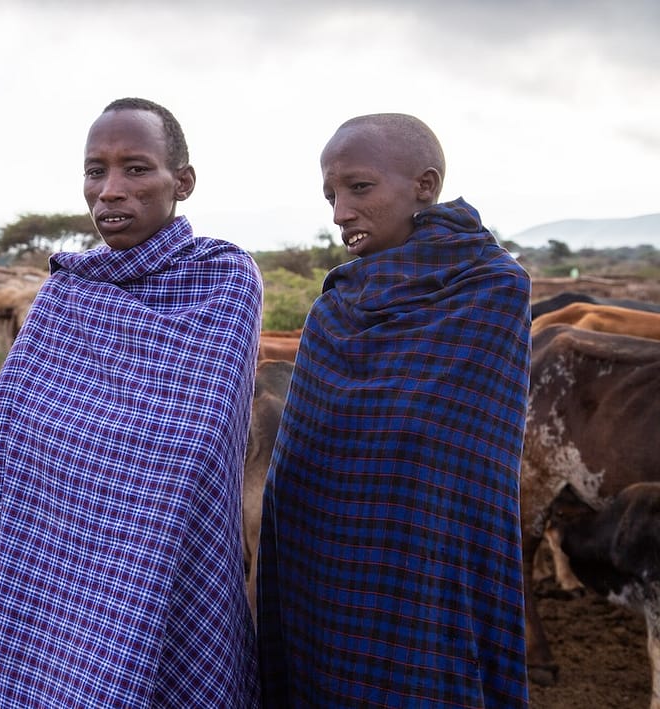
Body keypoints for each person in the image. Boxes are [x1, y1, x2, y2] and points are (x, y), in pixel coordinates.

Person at [0, 97, 263, 707]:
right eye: (95, 171)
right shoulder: (66, 293)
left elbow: (188, 448)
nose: (110, 190)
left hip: (169, 560)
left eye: (136, 169)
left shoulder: (223, 281)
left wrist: (109, 485)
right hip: (44, 564)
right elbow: (7, 443)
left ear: (181, 182)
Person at [256, 114, 531, 707]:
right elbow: (300, 463)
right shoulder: (334, 307)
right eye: (330, 195)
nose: (339, 212)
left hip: (428, 564)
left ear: (425, 184)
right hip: (320, 572)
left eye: (358, 187)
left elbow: (459, 460)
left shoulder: (492, 290)